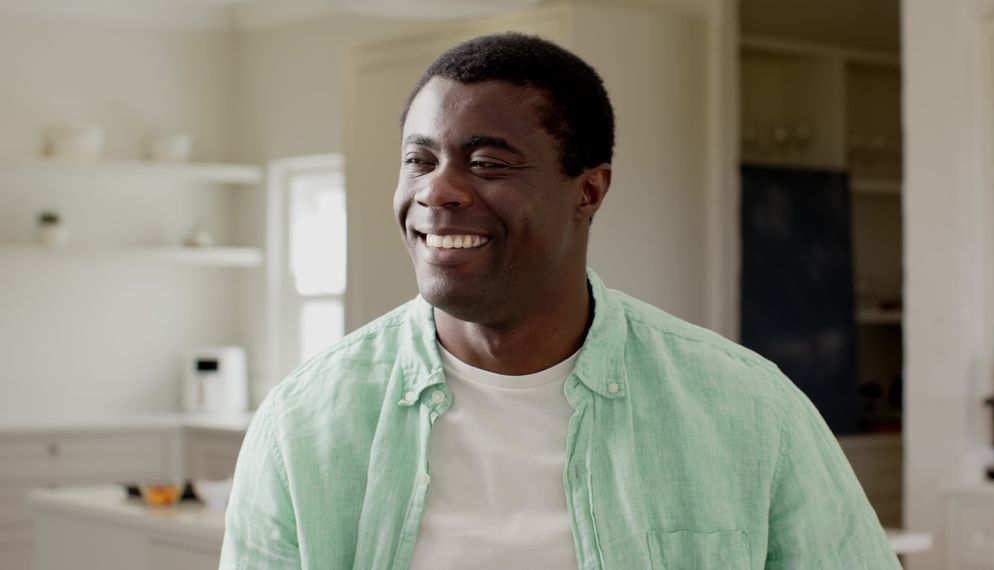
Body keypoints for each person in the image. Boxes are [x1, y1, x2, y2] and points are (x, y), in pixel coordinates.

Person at [220, 32, 901, 569]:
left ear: (589, 190)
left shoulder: (751, 411)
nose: (437, 191)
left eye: (487, 163)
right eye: (420, 160)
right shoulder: (302, 424)